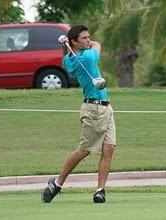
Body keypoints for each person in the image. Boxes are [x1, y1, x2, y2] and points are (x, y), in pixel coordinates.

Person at [41, 25, 116, 204]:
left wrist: (64, 44)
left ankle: (100, 190)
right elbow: (98, 45)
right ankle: (57, 183)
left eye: (89, 37)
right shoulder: (88, 57)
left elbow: (66, 59)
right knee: (84, 151)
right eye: (84, 38)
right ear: (74, 41)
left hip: (106, 107)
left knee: (109, 148)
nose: (89, 40)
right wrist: (80, 44)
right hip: (93, 110)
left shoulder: (69, 59)